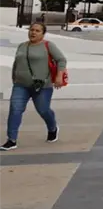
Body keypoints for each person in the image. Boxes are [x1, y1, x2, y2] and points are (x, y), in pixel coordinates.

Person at [3, 23, 67, 151]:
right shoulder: (22, 46)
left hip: (42, 86)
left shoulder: (48, 46)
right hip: (21, 85)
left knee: (43, 110)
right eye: (31, 30)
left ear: (43, 34)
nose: (33, 32)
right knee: (15, 109)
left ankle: (52, 128)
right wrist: (15, 78)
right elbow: (17, 63)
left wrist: (59, 77)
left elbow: (61, 60)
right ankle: (11, 139)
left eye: (37, 31)